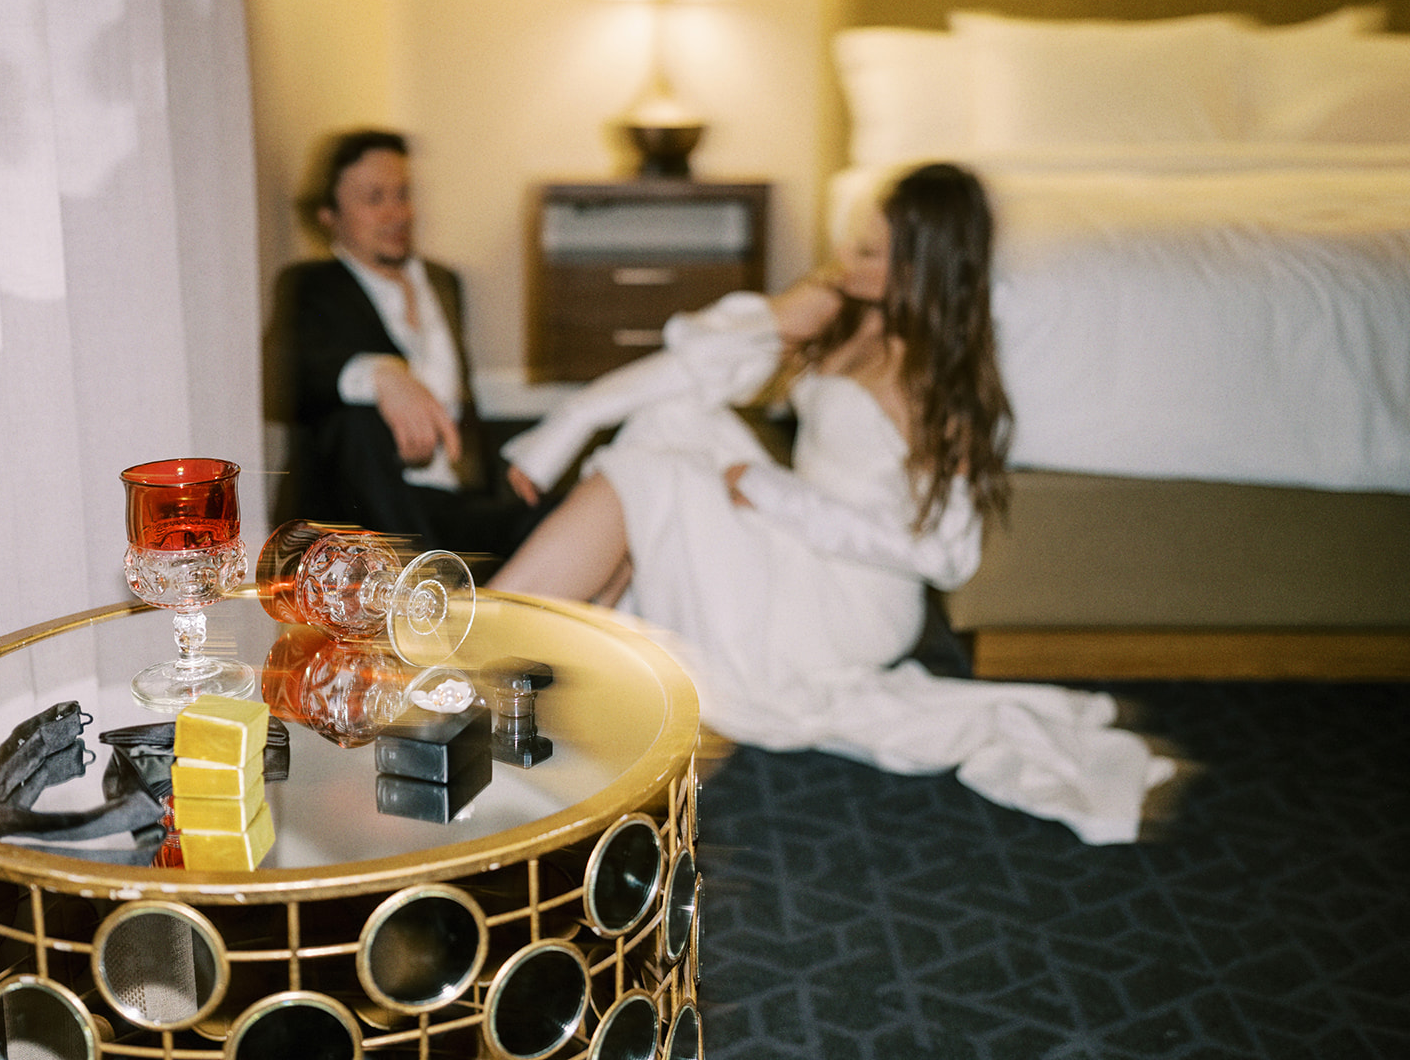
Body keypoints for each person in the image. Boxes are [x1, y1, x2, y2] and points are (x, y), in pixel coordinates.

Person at [491, 162, 1174, 845]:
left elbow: (946, 556)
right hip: (803, 535)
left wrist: (773, 493)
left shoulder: (936, 383)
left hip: (851, 602)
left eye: (870, 253)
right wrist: (777, 315)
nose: (845, 260)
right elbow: (695, 356)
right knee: (671, 422)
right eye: (856, 243)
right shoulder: (856, 315)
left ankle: (486, 640)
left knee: (653, 474)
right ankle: (543, 648)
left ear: (921, 269)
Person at [268, 129, 545, 561]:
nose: (397, 213)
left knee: (567, 509)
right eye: (374, 198)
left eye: (402, 193)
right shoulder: (313, 285)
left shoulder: (444, 282)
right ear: (328, 214)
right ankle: (421, 590)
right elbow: (284, 378)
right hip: (361, 512)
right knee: (354, 422)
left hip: (454, 503)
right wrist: (382, 375)